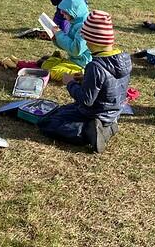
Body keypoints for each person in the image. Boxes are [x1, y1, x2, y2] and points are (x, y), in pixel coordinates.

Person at [38, 10, 131, 153]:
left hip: (94, 112)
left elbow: (86, 99)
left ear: (94, 41)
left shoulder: (95, 66)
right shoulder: (123, 58)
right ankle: (107, 126)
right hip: (113, 111)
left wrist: (70, 82)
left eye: (86, 40)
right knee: (59, 111)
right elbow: (108, 83)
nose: (86, 43)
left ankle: (87, 133)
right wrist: (85, 78)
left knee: (47, 123)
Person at [41, 0, 92, 81]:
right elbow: (67, 45)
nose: (63, 15)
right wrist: (55, 39)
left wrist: (59, 34)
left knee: (54, 72)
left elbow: (76, 50)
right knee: (45, 65)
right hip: (73, 60)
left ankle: (81, 76)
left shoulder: (84, 27)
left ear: (74, 12)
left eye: (65, 13)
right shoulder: (74, 23)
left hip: (82, 64)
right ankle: (70, 70)